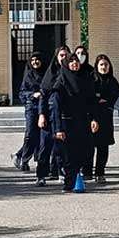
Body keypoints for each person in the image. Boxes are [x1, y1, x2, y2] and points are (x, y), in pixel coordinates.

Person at [50, 53, 96, 192]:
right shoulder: (60, 84)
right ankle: (69, 184)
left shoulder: (84, 80)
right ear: (66, 64)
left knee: (84, 152)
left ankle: (73, 179)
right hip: (66, 123)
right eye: (71, 61)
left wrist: (94, 119)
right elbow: (56, 109)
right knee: (68, 156)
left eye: (76, 61)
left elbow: (91, 102)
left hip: (82, 122)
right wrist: (58, 129)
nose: (75, 63)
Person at [35, 45, 71, 186]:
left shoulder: (71, 74)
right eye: (61, 55)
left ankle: (61, 173)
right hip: (49, 114)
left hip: (64, 116)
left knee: (61, 147)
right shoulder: (50, 74)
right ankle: (41, 175)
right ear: (56, 57)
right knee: (45, 146)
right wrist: (41, 115)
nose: (64, 58)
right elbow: (43, 97)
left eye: (66, 55)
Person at [87, 54, 119, 183]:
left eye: (106, 64)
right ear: (97, 66)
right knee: (89, 146)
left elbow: (114, 95)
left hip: (105, 118)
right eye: (101, 64)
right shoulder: (92, 79)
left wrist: (105, 100)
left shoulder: (112, 81)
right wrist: (98, 101)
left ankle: (100, 173)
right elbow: (90, 98)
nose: (104, 67)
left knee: (103, 147)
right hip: (91, 117)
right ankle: (87, 172)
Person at [13, 52, 45, 172]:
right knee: (30, 135)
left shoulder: (46, 74)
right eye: (32, 60)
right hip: (32, 108)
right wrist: (32, 95)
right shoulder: (28, 76)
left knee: (42, 136)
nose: (35, 62)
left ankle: (38, 161)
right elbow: (22, 93)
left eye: (37, 60)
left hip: (44, 108)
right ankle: (24, 160)